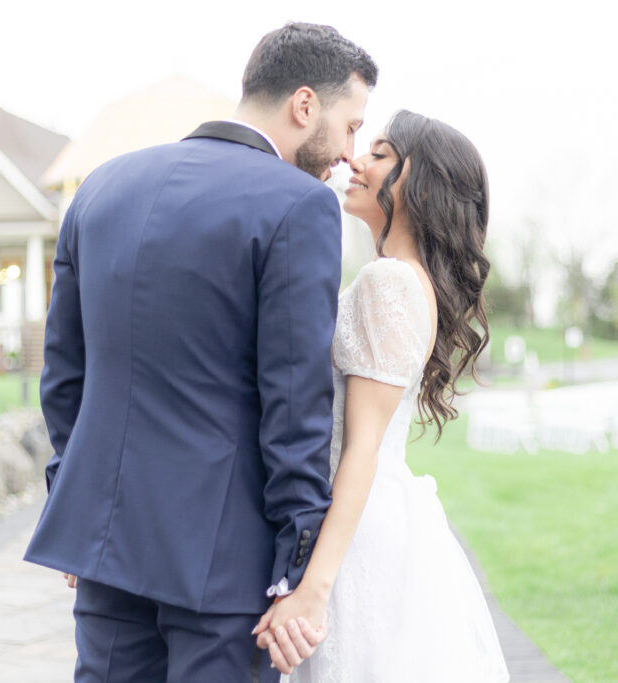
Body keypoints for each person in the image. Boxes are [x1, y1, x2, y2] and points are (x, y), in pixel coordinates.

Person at [23, 23, 377, 682]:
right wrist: (296, 564)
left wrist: (72, 505)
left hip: (106, 547)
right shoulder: (299, 205)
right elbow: (294, 402)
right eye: (351, 125)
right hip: (224, 563)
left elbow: (64, 375)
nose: (350, 152)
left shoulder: (98, 189)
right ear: (305, 105)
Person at [253, 110, 511, 681]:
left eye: (381, 153)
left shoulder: (388, 282)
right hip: (376, 515)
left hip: (358, 530)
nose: (355, 161)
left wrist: (313, 590)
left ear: (420, 184)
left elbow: (361, 448)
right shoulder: (398, 275)